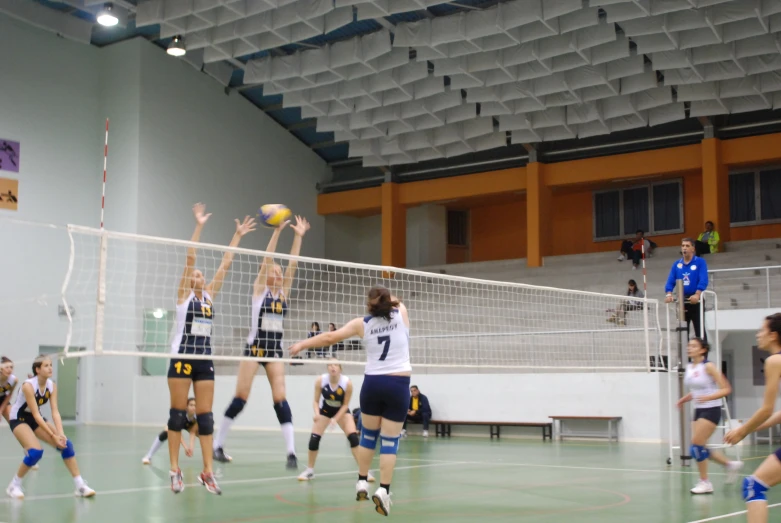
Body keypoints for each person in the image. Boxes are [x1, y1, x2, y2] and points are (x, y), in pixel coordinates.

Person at [290, 285, 410, 517]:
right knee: (389, 442)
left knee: (367, 438)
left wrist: (303, 344)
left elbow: (329, 337)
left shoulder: (361, 324)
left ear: (369, 305)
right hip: (397, 384)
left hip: (372, 384)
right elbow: (395, 300)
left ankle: (362, 482)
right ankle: (384, 490)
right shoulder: (401, 313)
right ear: (389, 302)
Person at [167, 203, 256, 495]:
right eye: (194, 275)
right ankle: (174, 469)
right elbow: (190, 256)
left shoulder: (209, 295)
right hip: (182, 357)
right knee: (177, 416)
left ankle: (207, 472)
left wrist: (238, 235)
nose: (197, 277)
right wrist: (199, 225)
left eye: (200, 276)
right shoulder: (183, 296)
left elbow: (226, 263)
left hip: (204, 359)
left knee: (205, 417)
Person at [213, 216, 310, 468]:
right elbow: (267, 259)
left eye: (279, 273)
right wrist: (277, 231)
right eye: (274, 272)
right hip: (254, 349)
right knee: (241, 397)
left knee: (280, 398)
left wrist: (298, 236)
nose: (278, 275)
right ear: (266, 276)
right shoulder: (259, 291)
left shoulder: (283, 292)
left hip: (274, 351)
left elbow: (293, 263)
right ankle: (217, 445)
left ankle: (291, 452)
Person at [5, 356, 95, 499]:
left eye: (51, 365)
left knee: (67, 445)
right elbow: (36, 414)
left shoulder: (51, 386)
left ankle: (80, 486)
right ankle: (14, 485)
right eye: (46, 365)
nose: (50, 368)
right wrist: (53, 436)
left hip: (35, 418)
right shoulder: (28, 386)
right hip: (18, 418)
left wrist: (60, 433)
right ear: (37, 369)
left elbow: (55, 412)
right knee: (35, 452)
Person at [724, 313, 781, 523]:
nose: (758, 335)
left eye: (762, 330)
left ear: (773, 335)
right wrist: (753, 427)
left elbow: (767, 409)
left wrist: (742, 431)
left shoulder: (774, 361)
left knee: (753, 485)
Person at [677, 337, 742, 494]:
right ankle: (729, 465)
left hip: (711, 409)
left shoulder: (709, 366)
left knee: (696, 446)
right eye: (688, 345)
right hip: (698, 409)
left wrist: (709, 397)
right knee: (699, 448)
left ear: (702, 350)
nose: (689, 348)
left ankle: (705, 482)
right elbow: (697, 390)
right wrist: (684, 399)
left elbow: (726, 389)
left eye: (693, 346)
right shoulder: (690, 367)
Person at [297, 359, 375, 482]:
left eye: (335, 365)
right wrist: (317, 414)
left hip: (341, 411)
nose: (333, 367)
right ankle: (310, 471)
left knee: (353, 438)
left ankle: (364, 472)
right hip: (325, 410)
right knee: (314, 440)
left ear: (340, 368)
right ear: (327, 368)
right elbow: (316, 401)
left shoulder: (347, 383)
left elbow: (345, 405)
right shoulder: (320, 381)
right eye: (330, 365)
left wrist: (335, 419)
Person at [665, 238, 709, 341]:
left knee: (700, 330)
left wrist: (697, 294)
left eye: (687, 246)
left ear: (693, 248)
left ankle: (703, 356)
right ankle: (685, 356)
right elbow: (670, 281)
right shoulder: (677, 264)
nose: (684, 248)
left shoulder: (700, 262)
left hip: (696, 300)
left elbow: (703, 280)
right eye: (683, 246)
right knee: (683, 331)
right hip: (682, 300)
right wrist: (669, 294)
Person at [143, 397, 198, 465]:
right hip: (176, 425)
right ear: (186, 407)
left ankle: (211, 457)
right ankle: (148, 456)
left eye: (195, 405)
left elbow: (193, 432)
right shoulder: (181, 414)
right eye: (191, 405)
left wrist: (191, 448)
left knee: (204, 434)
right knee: (165, 433)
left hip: (189, 426)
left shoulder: (197, 416)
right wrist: (186, 447)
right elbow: (178, 433)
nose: (193, 407)